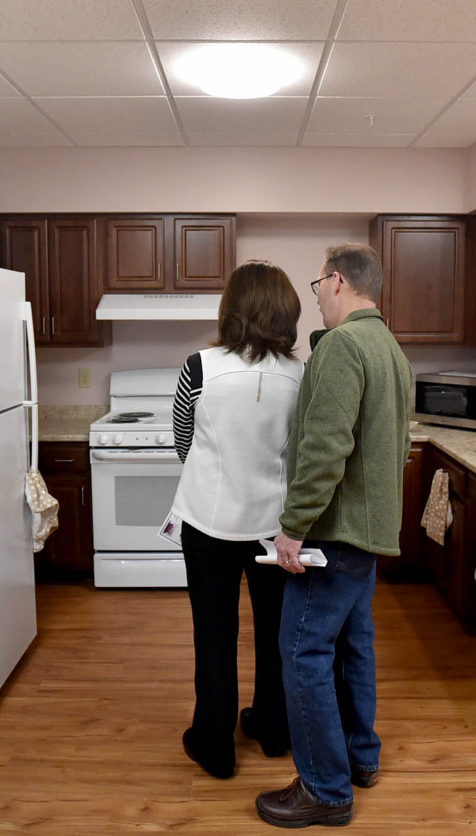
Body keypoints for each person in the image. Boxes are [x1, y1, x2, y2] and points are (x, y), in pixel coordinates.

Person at [255, 244, 413, 828]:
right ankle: (359, 760)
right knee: (354, 646)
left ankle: (325, 789)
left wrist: (293, 528)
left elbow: (325, 448)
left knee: (302, 652)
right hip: (368, 535)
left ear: (339, 281)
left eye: (319, 282)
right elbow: (396, 448)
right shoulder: (391, 349)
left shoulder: (344, 346)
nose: (316, 294)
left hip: (335, 536)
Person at [170, 259, 304, 780]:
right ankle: (274, 730)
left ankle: (215, 745)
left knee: (214, 635)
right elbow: (300, 452)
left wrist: (212, 475)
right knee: (275, 632)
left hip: (208, 522)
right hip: (275, 526)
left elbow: (184, 441)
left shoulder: (199, 367)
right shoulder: (301, 374)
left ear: (231, 310)